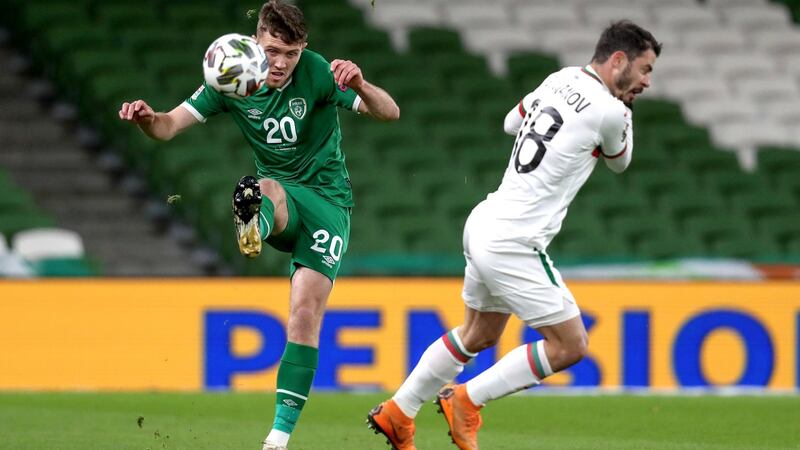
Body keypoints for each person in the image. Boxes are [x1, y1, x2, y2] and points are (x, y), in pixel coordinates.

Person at [118, 1, 400, 449]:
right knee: (264, 185)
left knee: (305, 315)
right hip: (282, 197)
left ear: (303, 48)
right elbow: (169, 127)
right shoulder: (233, 76)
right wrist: (147, 120)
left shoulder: (320, 71)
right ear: (256, 41)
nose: (281, 63)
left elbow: (390, 113)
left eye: (291, 53)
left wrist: (362, 85)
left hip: (329, 205)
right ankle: (257, 224)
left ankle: (277, 439)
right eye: (272, 51)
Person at [367, 20, 660, 450]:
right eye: (645, 69)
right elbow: (621, 162)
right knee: (571, 345)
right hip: (515, 242)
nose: (647, 82)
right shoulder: (612, 111)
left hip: (485, 220)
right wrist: (622, 111)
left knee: (479, 335)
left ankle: (398, 411)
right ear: (619, 60)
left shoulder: (559, 78)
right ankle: (467, 400)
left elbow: (510, 122)